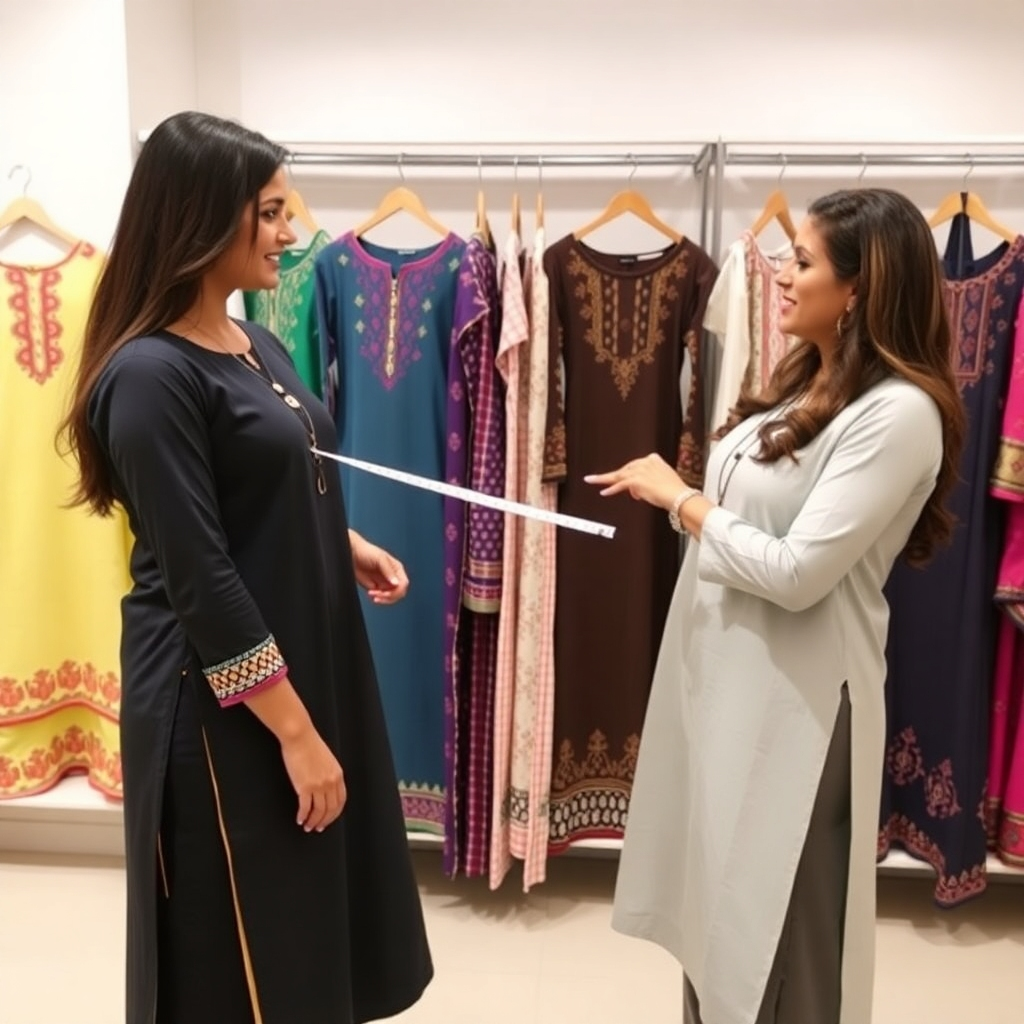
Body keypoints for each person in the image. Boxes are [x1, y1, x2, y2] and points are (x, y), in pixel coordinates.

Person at [59, 111, 432, 1024]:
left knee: (305, 920)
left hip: (287, 666)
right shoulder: (149, 376)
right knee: (238, 948)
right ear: (200, 216)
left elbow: (267, 479)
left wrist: (340, 541)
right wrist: (296, 734)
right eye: (269, 212)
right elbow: (200, 576)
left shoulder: (251, 342)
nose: (290, 232)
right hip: (218, 702)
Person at [586, 188, 964, 1024]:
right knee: (714, 923)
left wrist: (682, 500)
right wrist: (689, 503)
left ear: (859, 287)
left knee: (776, 940)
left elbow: (799, 572)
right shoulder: (810, 383)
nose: (783, 277)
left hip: (800, 710)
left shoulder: (898, 414)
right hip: (732, 688)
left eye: (802, 261)